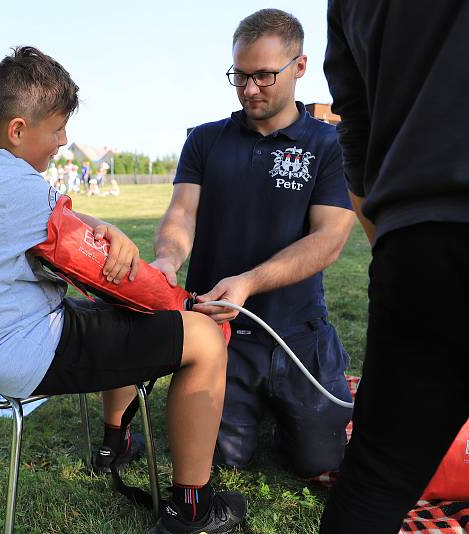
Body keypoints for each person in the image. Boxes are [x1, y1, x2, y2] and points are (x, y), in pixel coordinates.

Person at [0, 46, 247, 534]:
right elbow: (116, 276)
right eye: (56, 129)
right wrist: (189, 307)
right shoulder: (17, 187)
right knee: (201, 339)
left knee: (118, 316)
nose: (63, 141)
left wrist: (99, 225)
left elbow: (64, 222)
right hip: (26, 351)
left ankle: (114, 441)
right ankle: (191, 511)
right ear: (18, 130)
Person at [151, 9, 356, 479]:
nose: (248, 90)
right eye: (240, 76)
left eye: (264, 76)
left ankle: (295, 414)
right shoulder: (205, 141)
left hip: (297, 333)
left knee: (319, 462)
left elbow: (328, 240)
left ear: (299, 67)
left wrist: (248, 282)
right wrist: (167, 256)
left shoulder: (329, 145)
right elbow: (181, 213)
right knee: (224, 459)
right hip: (219, 335)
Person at [319, 3, 469, 533]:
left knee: (377, 477)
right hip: (415, 230)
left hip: (416, 234)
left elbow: (355, 128)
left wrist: (393, 243)